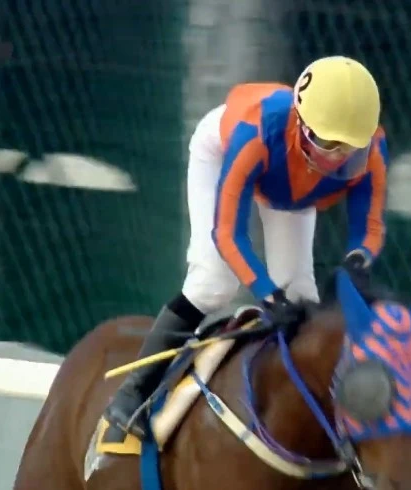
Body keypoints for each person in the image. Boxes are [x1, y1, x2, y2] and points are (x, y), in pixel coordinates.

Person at [104, 55, 390, 437]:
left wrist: (358, 258)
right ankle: (132, 393)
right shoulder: (254, 134)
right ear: (301, 122)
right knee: (212, 283)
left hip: (290, 187)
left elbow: (369, 225)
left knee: (301, 296)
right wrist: (267, 295)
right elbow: (228, 234)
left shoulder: (372, 151)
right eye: (327, 142)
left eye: (350, 147)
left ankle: (301, 415)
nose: (336, 157)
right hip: (226, 155)